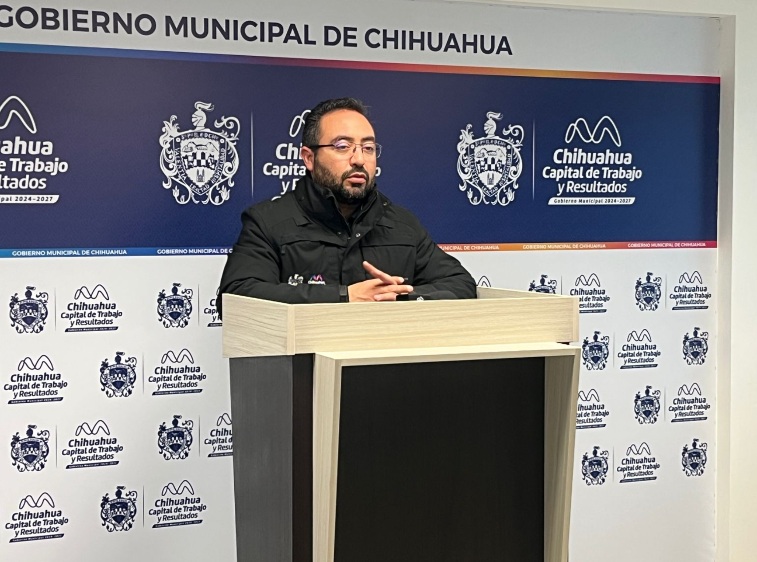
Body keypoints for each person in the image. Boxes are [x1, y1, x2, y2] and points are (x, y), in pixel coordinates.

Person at [218, 97, 476, 316]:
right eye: (342, 146)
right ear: (309, 158)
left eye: (368, 148)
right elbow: (236, 296)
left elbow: (461, 285)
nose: (359, 159)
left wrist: (400, 298)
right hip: (305, 360)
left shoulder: (403, 225)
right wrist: (344, 297)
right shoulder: (267, 222)